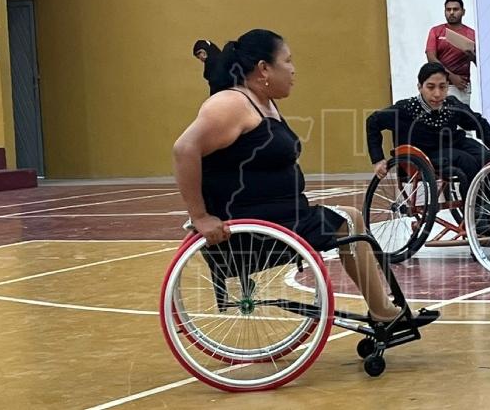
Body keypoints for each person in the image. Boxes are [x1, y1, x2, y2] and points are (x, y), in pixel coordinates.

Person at [173, 28, 438, 326]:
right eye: (287, 61)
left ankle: (383, 310)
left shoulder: (262, 103)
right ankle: (384, 312)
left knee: (352, 219)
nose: (293, 69)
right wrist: (200, 217)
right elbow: (184, 149)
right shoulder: (231, 104)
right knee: (349, 223)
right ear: (264, 68)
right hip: (258, 227)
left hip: (283, 215)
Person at [367, 62, 490, 203]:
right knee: (467, 161)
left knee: (488, 158)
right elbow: (373, 121)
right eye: (430, 87)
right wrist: (378, 159)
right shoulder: (405, 109)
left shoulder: (451, 104)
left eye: (442, 87)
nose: (437, 94)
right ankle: (476, 209)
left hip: (453, 145)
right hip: (424, 154)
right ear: (420, 87)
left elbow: (478, 122)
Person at [426, 0, 476, 105]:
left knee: (461, 115)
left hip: (462, 85)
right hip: (440, 84)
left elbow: (481, 63)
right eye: (448, 10)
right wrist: (451, 76)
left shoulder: (472, 34)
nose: (451, 13)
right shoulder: (436, 31)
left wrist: (472, 56)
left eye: (455, 9)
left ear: (463, 12)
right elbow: (431, 58)